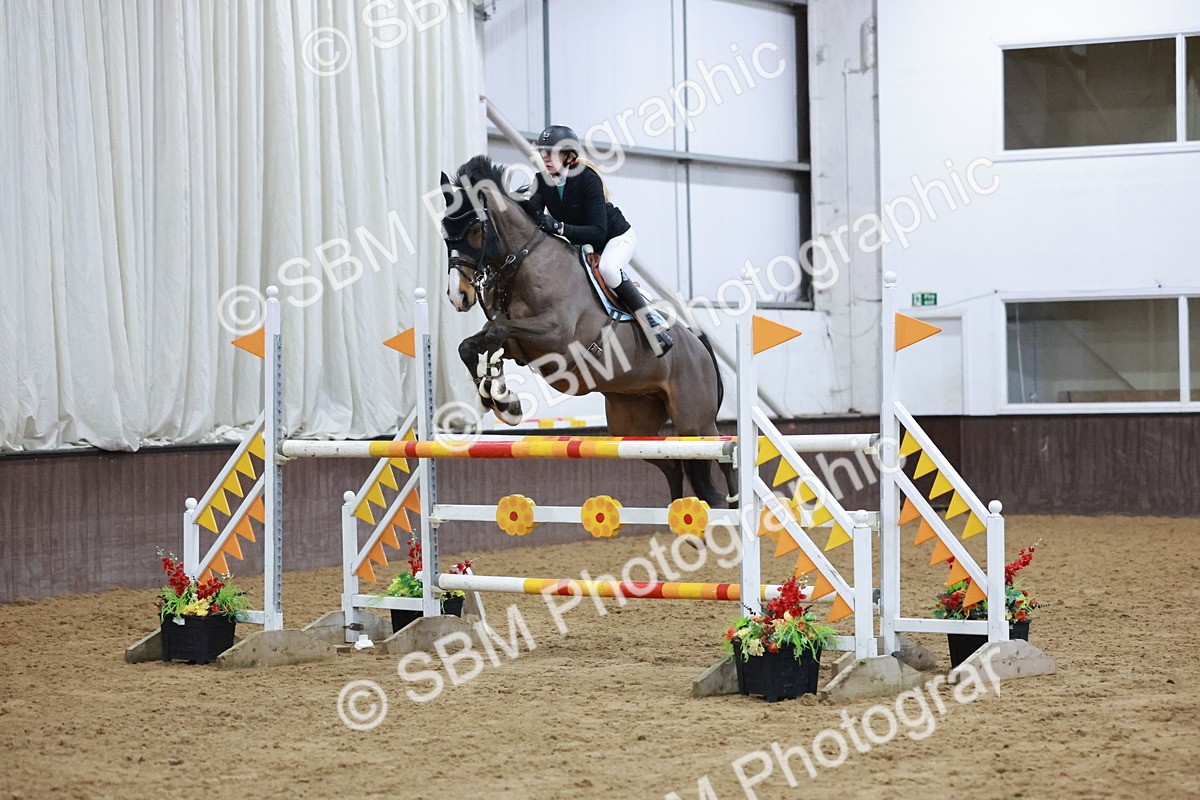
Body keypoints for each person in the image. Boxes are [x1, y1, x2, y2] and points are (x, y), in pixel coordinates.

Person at [528, 124, 672, 356]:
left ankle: (652, 323)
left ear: (568, 155)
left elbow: (597, 231)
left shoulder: (587, 178)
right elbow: (531, 216)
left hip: (615, 238)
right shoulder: (541, 180)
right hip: (584, 245)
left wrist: (559, 227)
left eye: (551, 152)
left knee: (608, 269)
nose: (545, 158)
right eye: (543, 152)